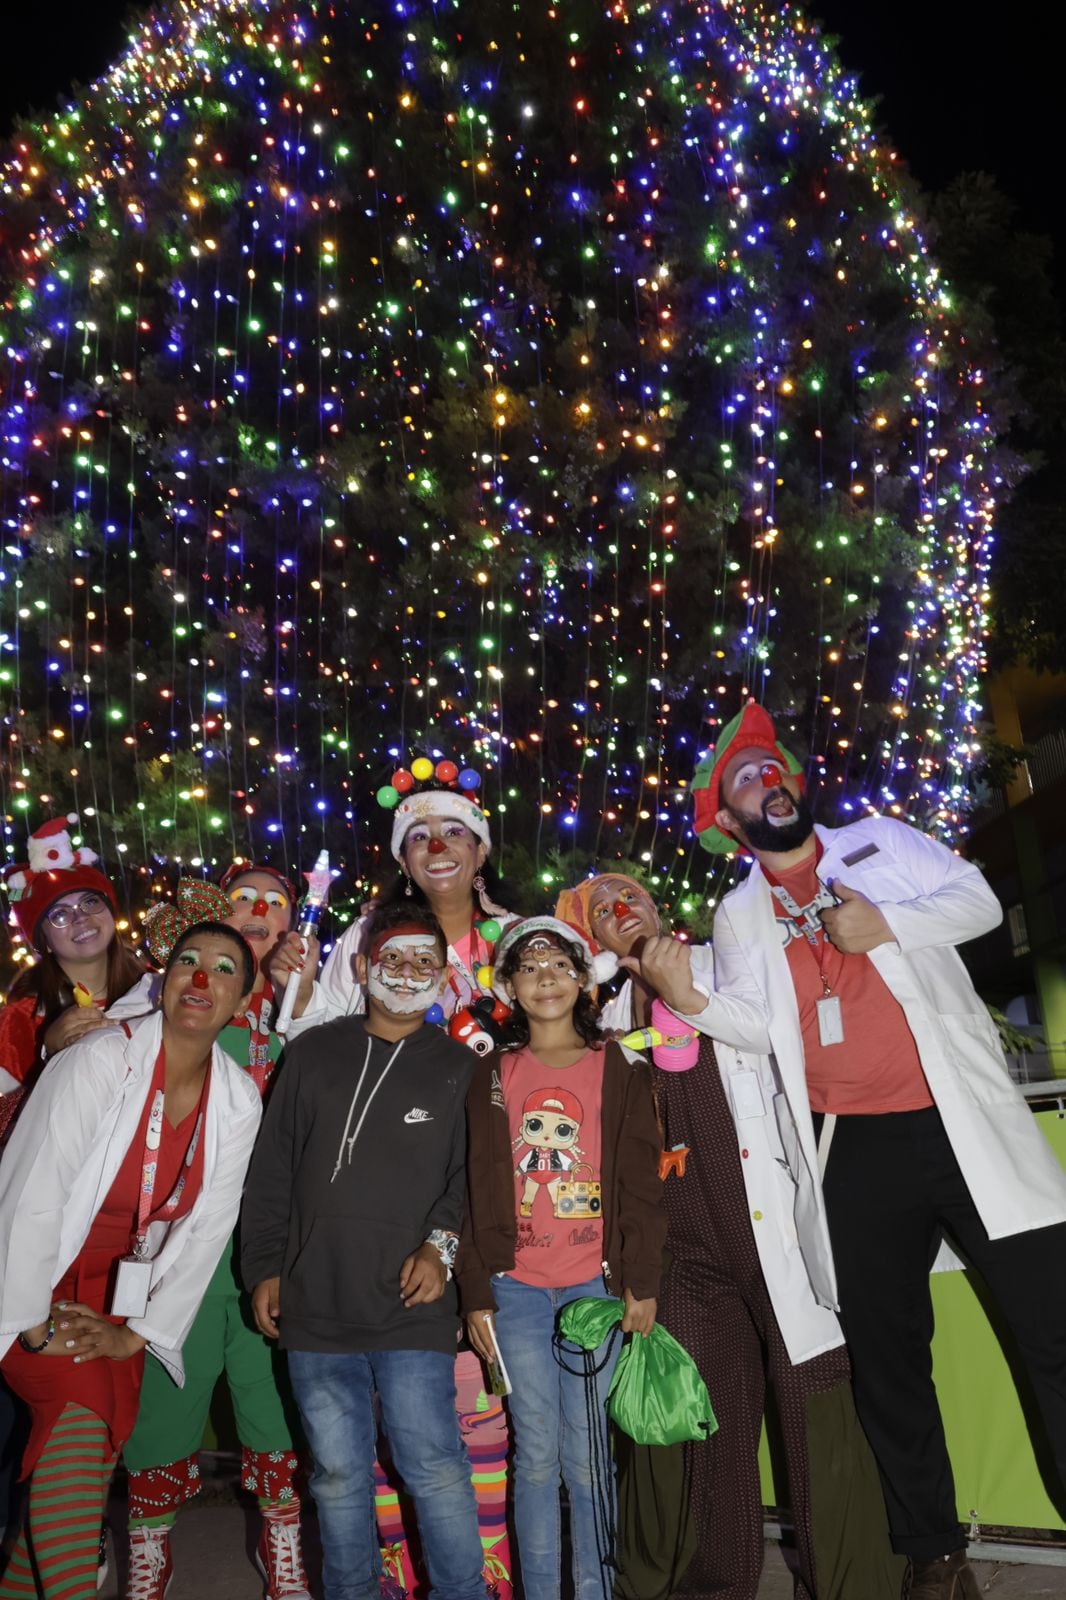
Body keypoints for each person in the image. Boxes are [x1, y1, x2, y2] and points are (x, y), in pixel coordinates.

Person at [632, 700, 1066, 1600]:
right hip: (850, 1153)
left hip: (960, 1125)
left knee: (1054, 1330)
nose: (768, 781)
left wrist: (888, 926)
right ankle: (934, 1552)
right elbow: (756, 1025)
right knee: (891, 1360)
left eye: (773, 767)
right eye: (745, 778)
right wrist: (690, 996)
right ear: (726, 821)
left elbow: (979, 901)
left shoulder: (878, 842)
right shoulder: (740, 912)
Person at [556, 873, 900, 1600]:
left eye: (632, 896)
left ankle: (852, 1585)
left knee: (814, 1402)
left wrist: (690, 994)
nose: (623, 909)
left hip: (767, 1217)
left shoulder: (728, 960)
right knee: (704, 1416)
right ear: (593, 937)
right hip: (678, 1245)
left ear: (658, 906)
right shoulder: (597, 1017)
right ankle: (710, 1585)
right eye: (603, 910)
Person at [280, 761, 516, 1598]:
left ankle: (485, 1576)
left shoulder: (518, 937)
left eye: (454, 830)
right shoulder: (360, 947)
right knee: (354, 1463)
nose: (438, 845)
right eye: (418, 835)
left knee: (456, 1441)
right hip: (359, 1240)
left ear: (482, 846)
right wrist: (299, 990)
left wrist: (446, 1242)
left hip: (505, 1191)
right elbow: (316, 1050)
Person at [0, 917, 262, 1600]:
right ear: (164, 980)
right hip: (37, 1277)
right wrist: (30, 1321)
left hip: (122, 1296)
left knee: (102, 1438)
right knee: (82, 1429)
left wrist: (136, 1332)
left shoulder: (237, 1100)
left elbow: (206, 1233)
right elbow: (31, 1193)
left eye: (224, 969)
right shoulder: (96, 1060)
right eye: (187, 961)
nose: (202, 977)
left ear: (241, 1006)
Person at [241, 899, 487, 1600]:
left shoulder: (461, 1069)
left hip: (412, 1311)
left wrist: (440, 1250)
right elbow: (272, 1172)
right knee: (338, 1474)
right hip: (315, 1308)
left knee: (434, 1463)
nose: (407, 974)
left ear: (444, 975)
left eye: (424, 962)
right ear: (361, 968)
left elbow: (468, 1181)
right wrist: (262, 1266)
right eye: (393, 960)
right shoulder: (314, 1052)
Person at [121, 870, 317, 1600]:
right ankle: (150, 1547)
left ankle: (282, 1541)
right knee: (167, 1402)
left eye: (277, 903)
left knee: (271, 1405)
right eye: (246, 899)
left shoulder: (305, 1017)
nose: (260, 912)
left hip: (268, 1255)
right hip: (182, 1258)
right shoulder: (169, 1010)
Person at [459, 916, 665, 1600]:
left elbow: (639, 1185)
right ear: (509, 987)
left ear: (582, 980)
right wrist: (474, 1293)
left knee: (589, 1456)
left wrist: (640, 1282)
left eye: (558, 965)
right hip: (512, 1288)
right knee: (534, 1456)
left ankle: (598, 1589)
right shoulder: (488, 1073)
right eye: (528, 967)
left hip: (592, 1289)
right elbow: (463, 1183)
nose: (545, 977)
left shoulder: (620, 1069)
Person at [0, 816, 146, 1093]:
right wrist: (51, 1055)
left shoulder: (155, 992)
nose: (80, 918)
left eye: (90, 902)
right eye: (60, 914)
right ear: (44, 941)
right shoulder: (20, 1021)